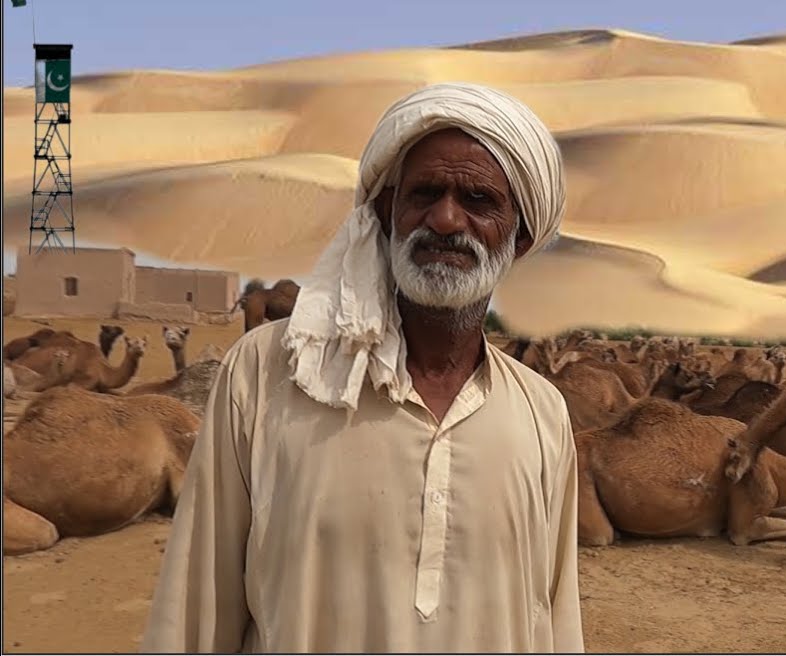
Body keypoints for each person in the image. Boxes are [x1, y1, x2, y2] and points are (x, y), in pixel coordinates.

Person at [140, 83, 583, 653]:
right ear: (385, 213)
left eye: (478, 200)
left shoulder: (542, 414)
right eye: (424, 193)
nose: (446, 219)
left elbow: (553, 621)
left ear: (519, 238)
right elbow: (196, 612)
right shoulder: (265, 372)